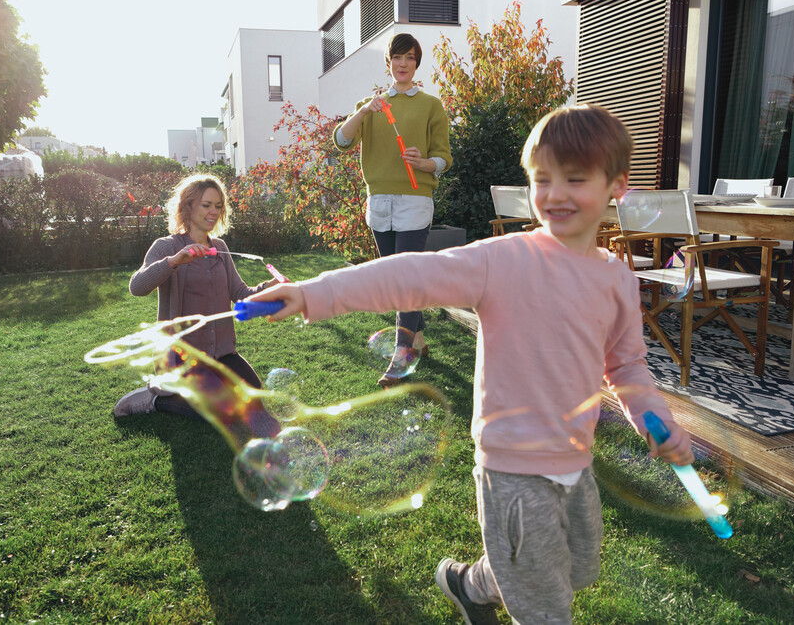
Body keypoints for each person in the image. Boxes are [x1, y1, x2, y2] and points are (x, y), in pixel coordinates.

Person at [250, 104, 695, 624]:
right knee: (547, 605)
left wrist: (656, 421)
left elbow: (628, 369)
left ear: (616, 186)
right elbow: (409, 275)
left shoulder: (617, 280)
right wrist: (311, 294)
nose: (555, 193)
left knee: (576, 569)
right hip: (512, 468)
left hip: (575, 460)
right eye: (542, 178)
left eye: (575, 179)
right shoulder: (502, 261)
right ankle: (501, 582)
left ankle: (473, 584)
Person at [113, 174, 280, 434]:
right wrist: (174, 262)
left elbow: (240, 293)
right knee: (221, 413)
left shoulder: (220, 247)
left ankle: (184, 392)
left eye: (218, 206)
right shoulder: (166, 246)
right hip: (182, 356)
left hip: (222, 353)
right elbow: (137, 287)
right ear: (188, 206)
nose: (214, 212)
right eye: (206, 205)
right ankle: (156, 399)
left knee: (254, 398)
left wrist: (267, 288)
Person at [333, 32, 452, 386]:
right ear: (388, 64)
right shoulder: (372, 106)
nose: (403, 64)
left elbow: (444, 158)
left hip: (415, 201)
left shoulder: (431, 105)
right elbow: (341, 141)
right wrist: (362, 111)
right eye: (397, 58)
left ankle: (399, 362)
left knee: (402, 281)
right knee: (397, 280)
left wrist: (424, 163)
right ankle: (417, 338)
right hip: (378, 201)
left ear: (416, 64)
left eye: (410, 58)